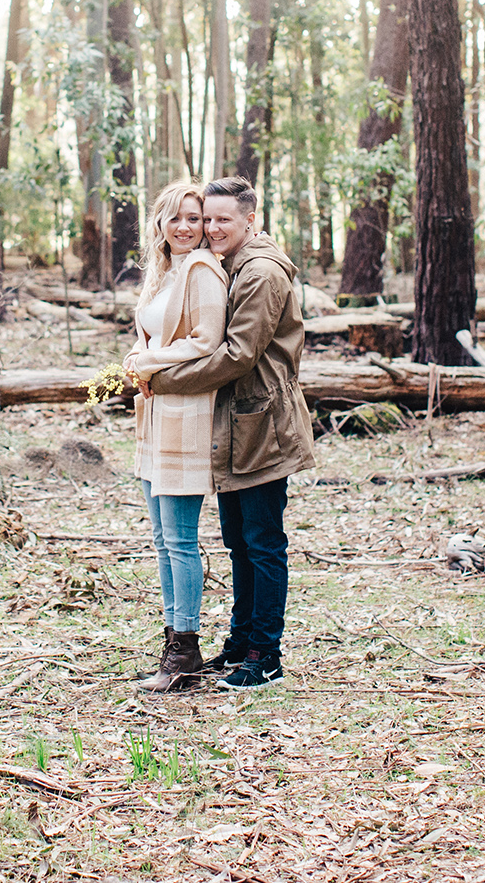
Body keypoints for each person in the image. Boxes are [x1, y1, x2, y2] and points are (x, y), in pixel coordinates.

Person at [142, 175, 314, 690]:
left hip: (265, 424)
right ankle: (240, 644)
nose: (212, 228)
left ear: (249, 220)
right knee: (240, 541)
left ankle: (266, 654)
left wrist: (163, 378)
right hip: (239, 422)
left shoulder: (260, 271)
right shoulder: (231, 264)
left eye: (223, 220)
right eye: (208, 218)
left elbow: (239, 355)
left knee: (263, 542)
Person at [124, 182, 229, 693]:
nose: (187, 227)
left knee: (181, 540)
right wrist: (134, 358)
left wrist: (148, 361)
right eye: (177, 218)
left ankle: (185, 649)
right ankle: (172, 643)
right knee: (162, 541)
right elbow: (155, 335)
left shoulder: (203, 270)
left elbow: (208, 341)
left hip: (187, 414)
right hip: (154, 416)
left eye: (195, 218)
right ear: (160, 225)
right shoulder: (163, 273)